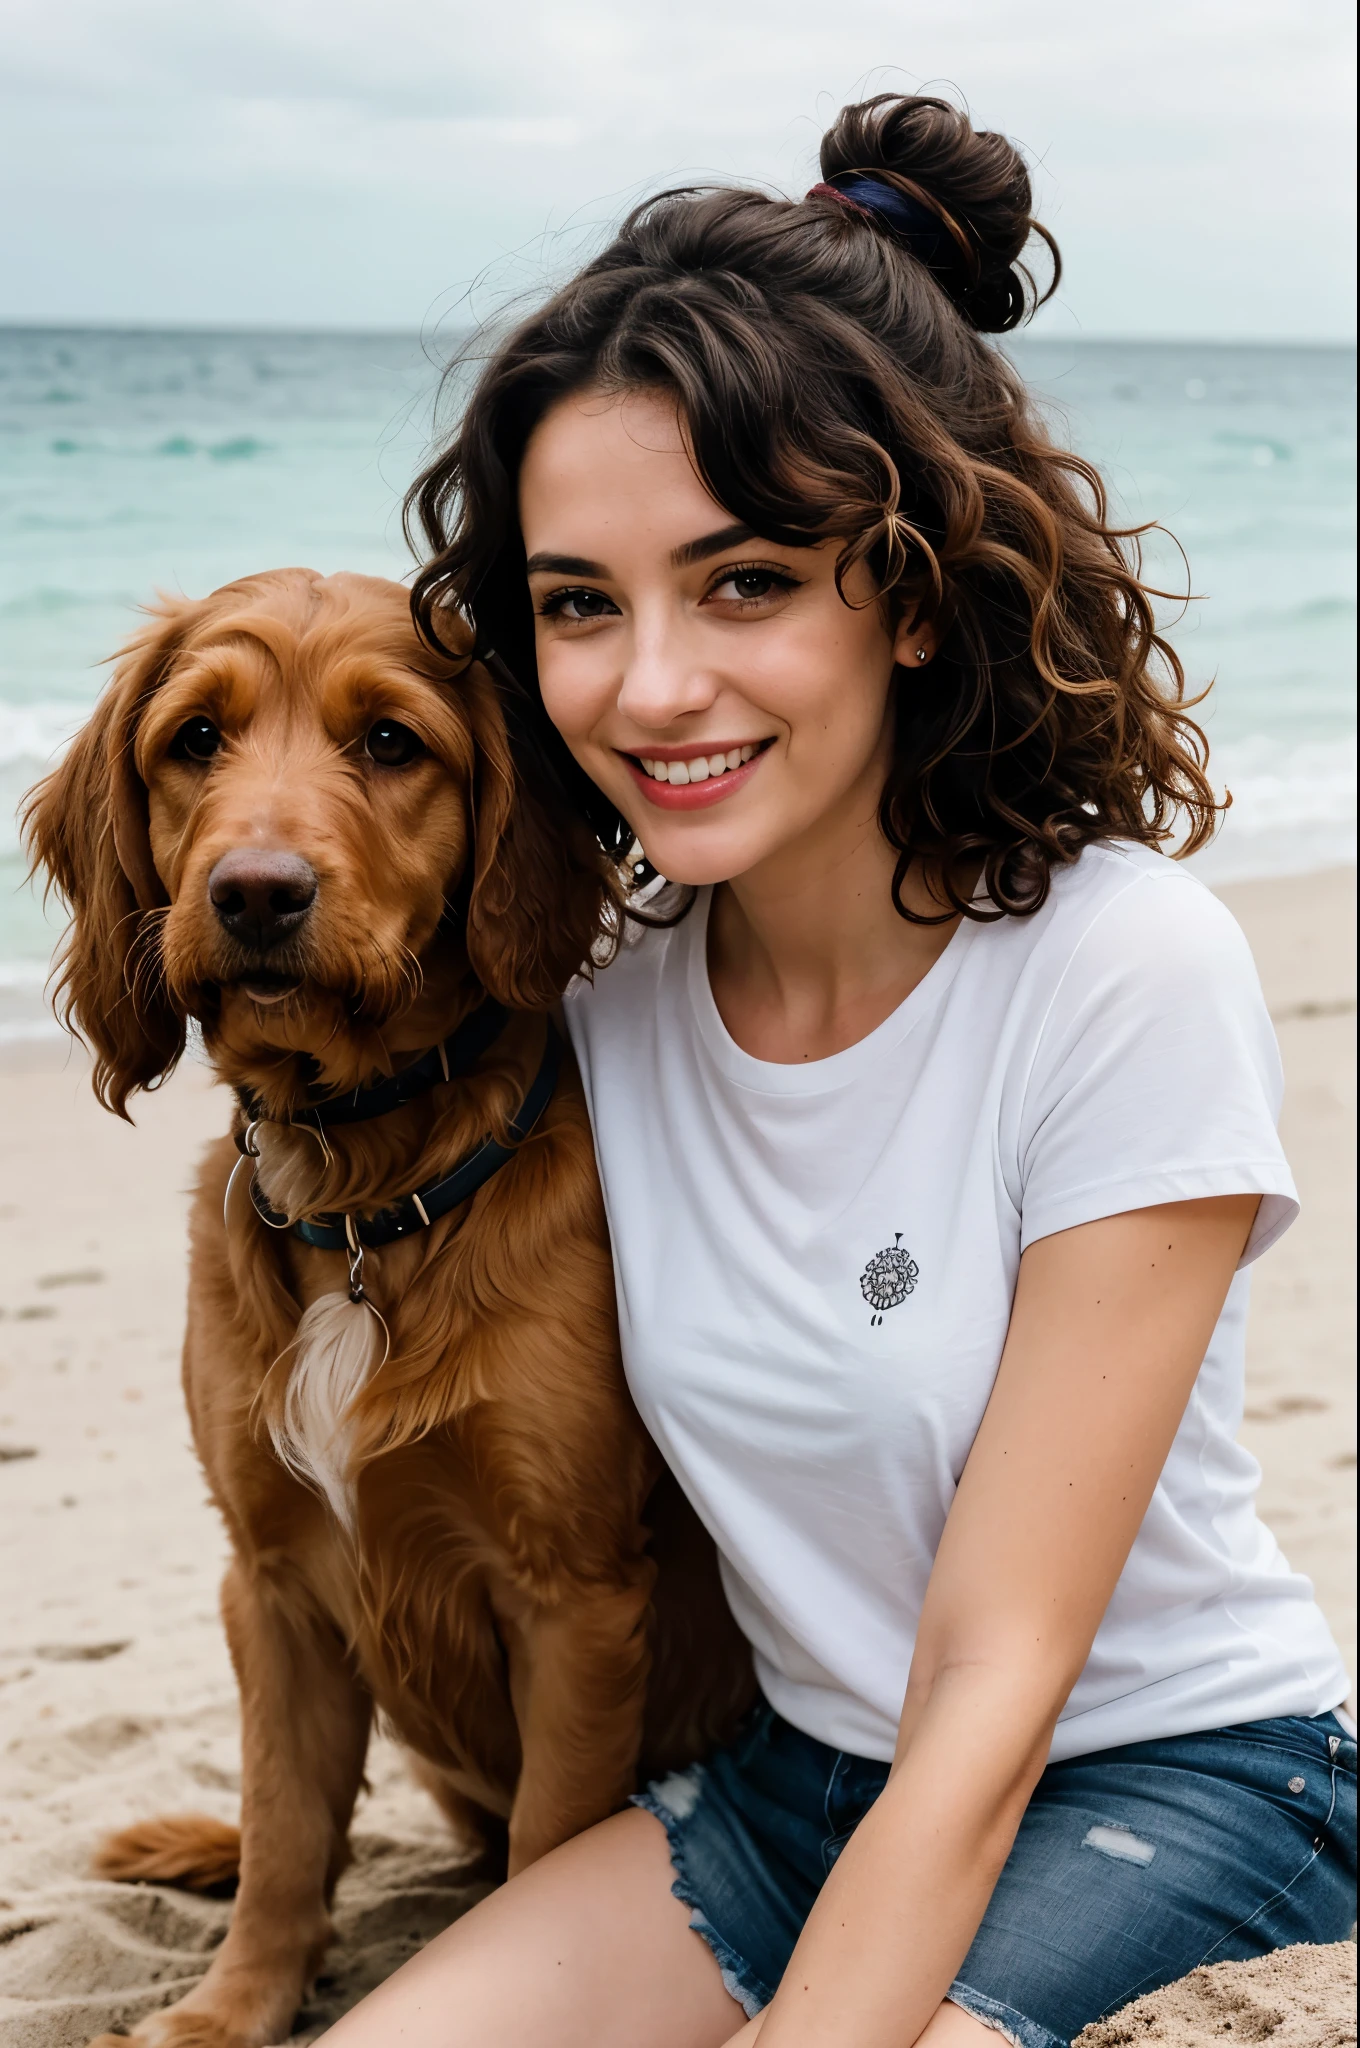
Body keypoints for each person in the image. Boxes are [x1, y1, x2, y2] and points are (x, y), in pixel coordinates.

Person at [324, 93, 1355, 2048]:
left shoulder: (1115, 971)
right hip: (793, 1784)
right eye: (574, 605)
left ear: (898, 582)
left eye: (741, 583)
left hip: (1172, 1780)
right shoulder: (600, 1001)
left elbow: (992, 1671)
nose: (646, 686)